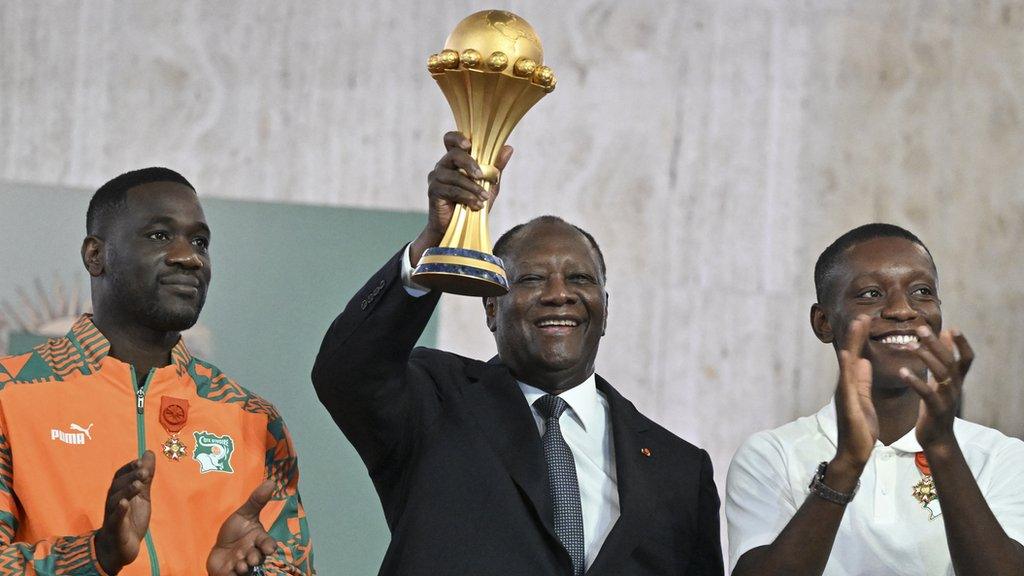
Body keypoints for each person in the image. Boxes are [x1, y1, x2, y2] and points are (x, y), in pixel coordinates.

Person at [312, 132, 723, 576]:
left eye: (581, 279)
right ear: (491, 308)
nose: (559, 294)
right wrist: (435, 243)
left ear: (605, 311)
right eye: (531, 280)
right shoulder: (434, 404)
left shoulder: (679, 469)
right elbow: (347, 372)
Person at [0, 168, 313, 575]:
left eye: (200, 241)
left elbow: (293, 567)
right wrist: (97, 555)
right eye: (160, 236)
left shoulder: (252, 419)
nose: (189, 257)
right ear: (95, 255)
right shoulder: (11, 393)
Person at [725, 223, 1024, 576]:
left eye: (922, 291)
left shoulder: (1001, 455)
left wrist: (942, 447)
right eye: (870, 294)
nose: (902, 309)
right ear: (824, 322)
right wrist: (847, 464)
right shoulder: (772, 454)